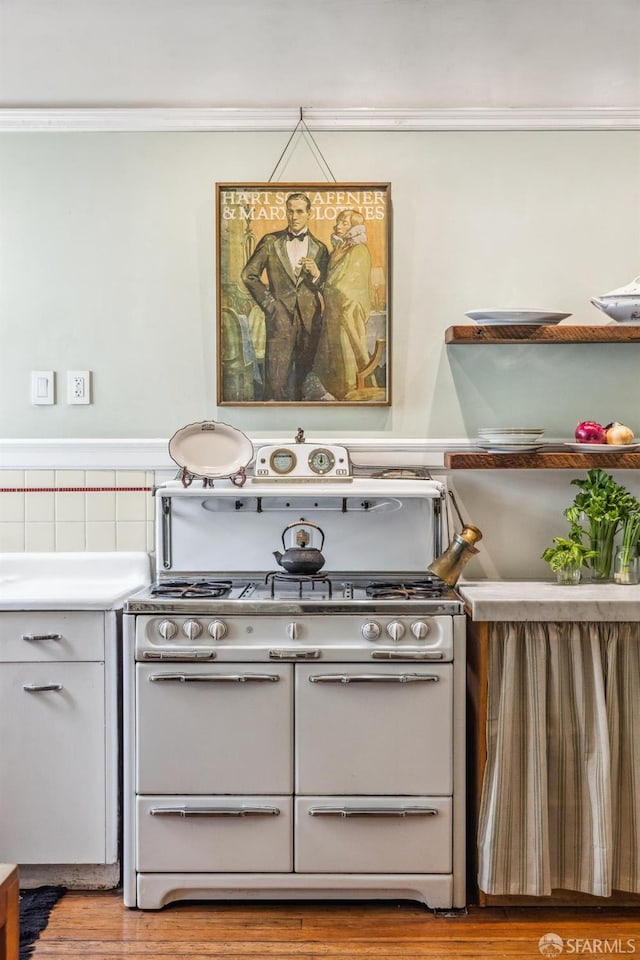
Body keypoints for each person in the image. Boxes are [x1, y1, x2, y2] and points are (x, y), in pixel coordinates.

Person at [241, 193, 329, 401]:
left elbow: (329, 286)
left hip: (310, 322)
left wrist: (316, 274)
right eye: (290, 211)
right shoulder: (271, 242)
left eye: (299, 211)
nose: (294, 216)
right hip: (279, 320)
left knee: (305, 383)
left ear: (309, 214)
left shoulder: (321, 248)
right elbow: (248, 275)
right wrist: (270, 305)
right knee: (276, 383)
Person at [312, 209, 374, 400]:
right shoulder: (341, 249)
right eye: (338, 222)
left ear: (355, 227)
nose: (338, 226)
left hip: (348, 313)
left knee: (347, 355)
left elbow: (346, 285)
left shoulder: (359, 250)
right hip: (336, 312)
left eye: (344, 223)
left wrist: (321, 280)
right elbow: (333, 279)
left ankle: (350, 393)